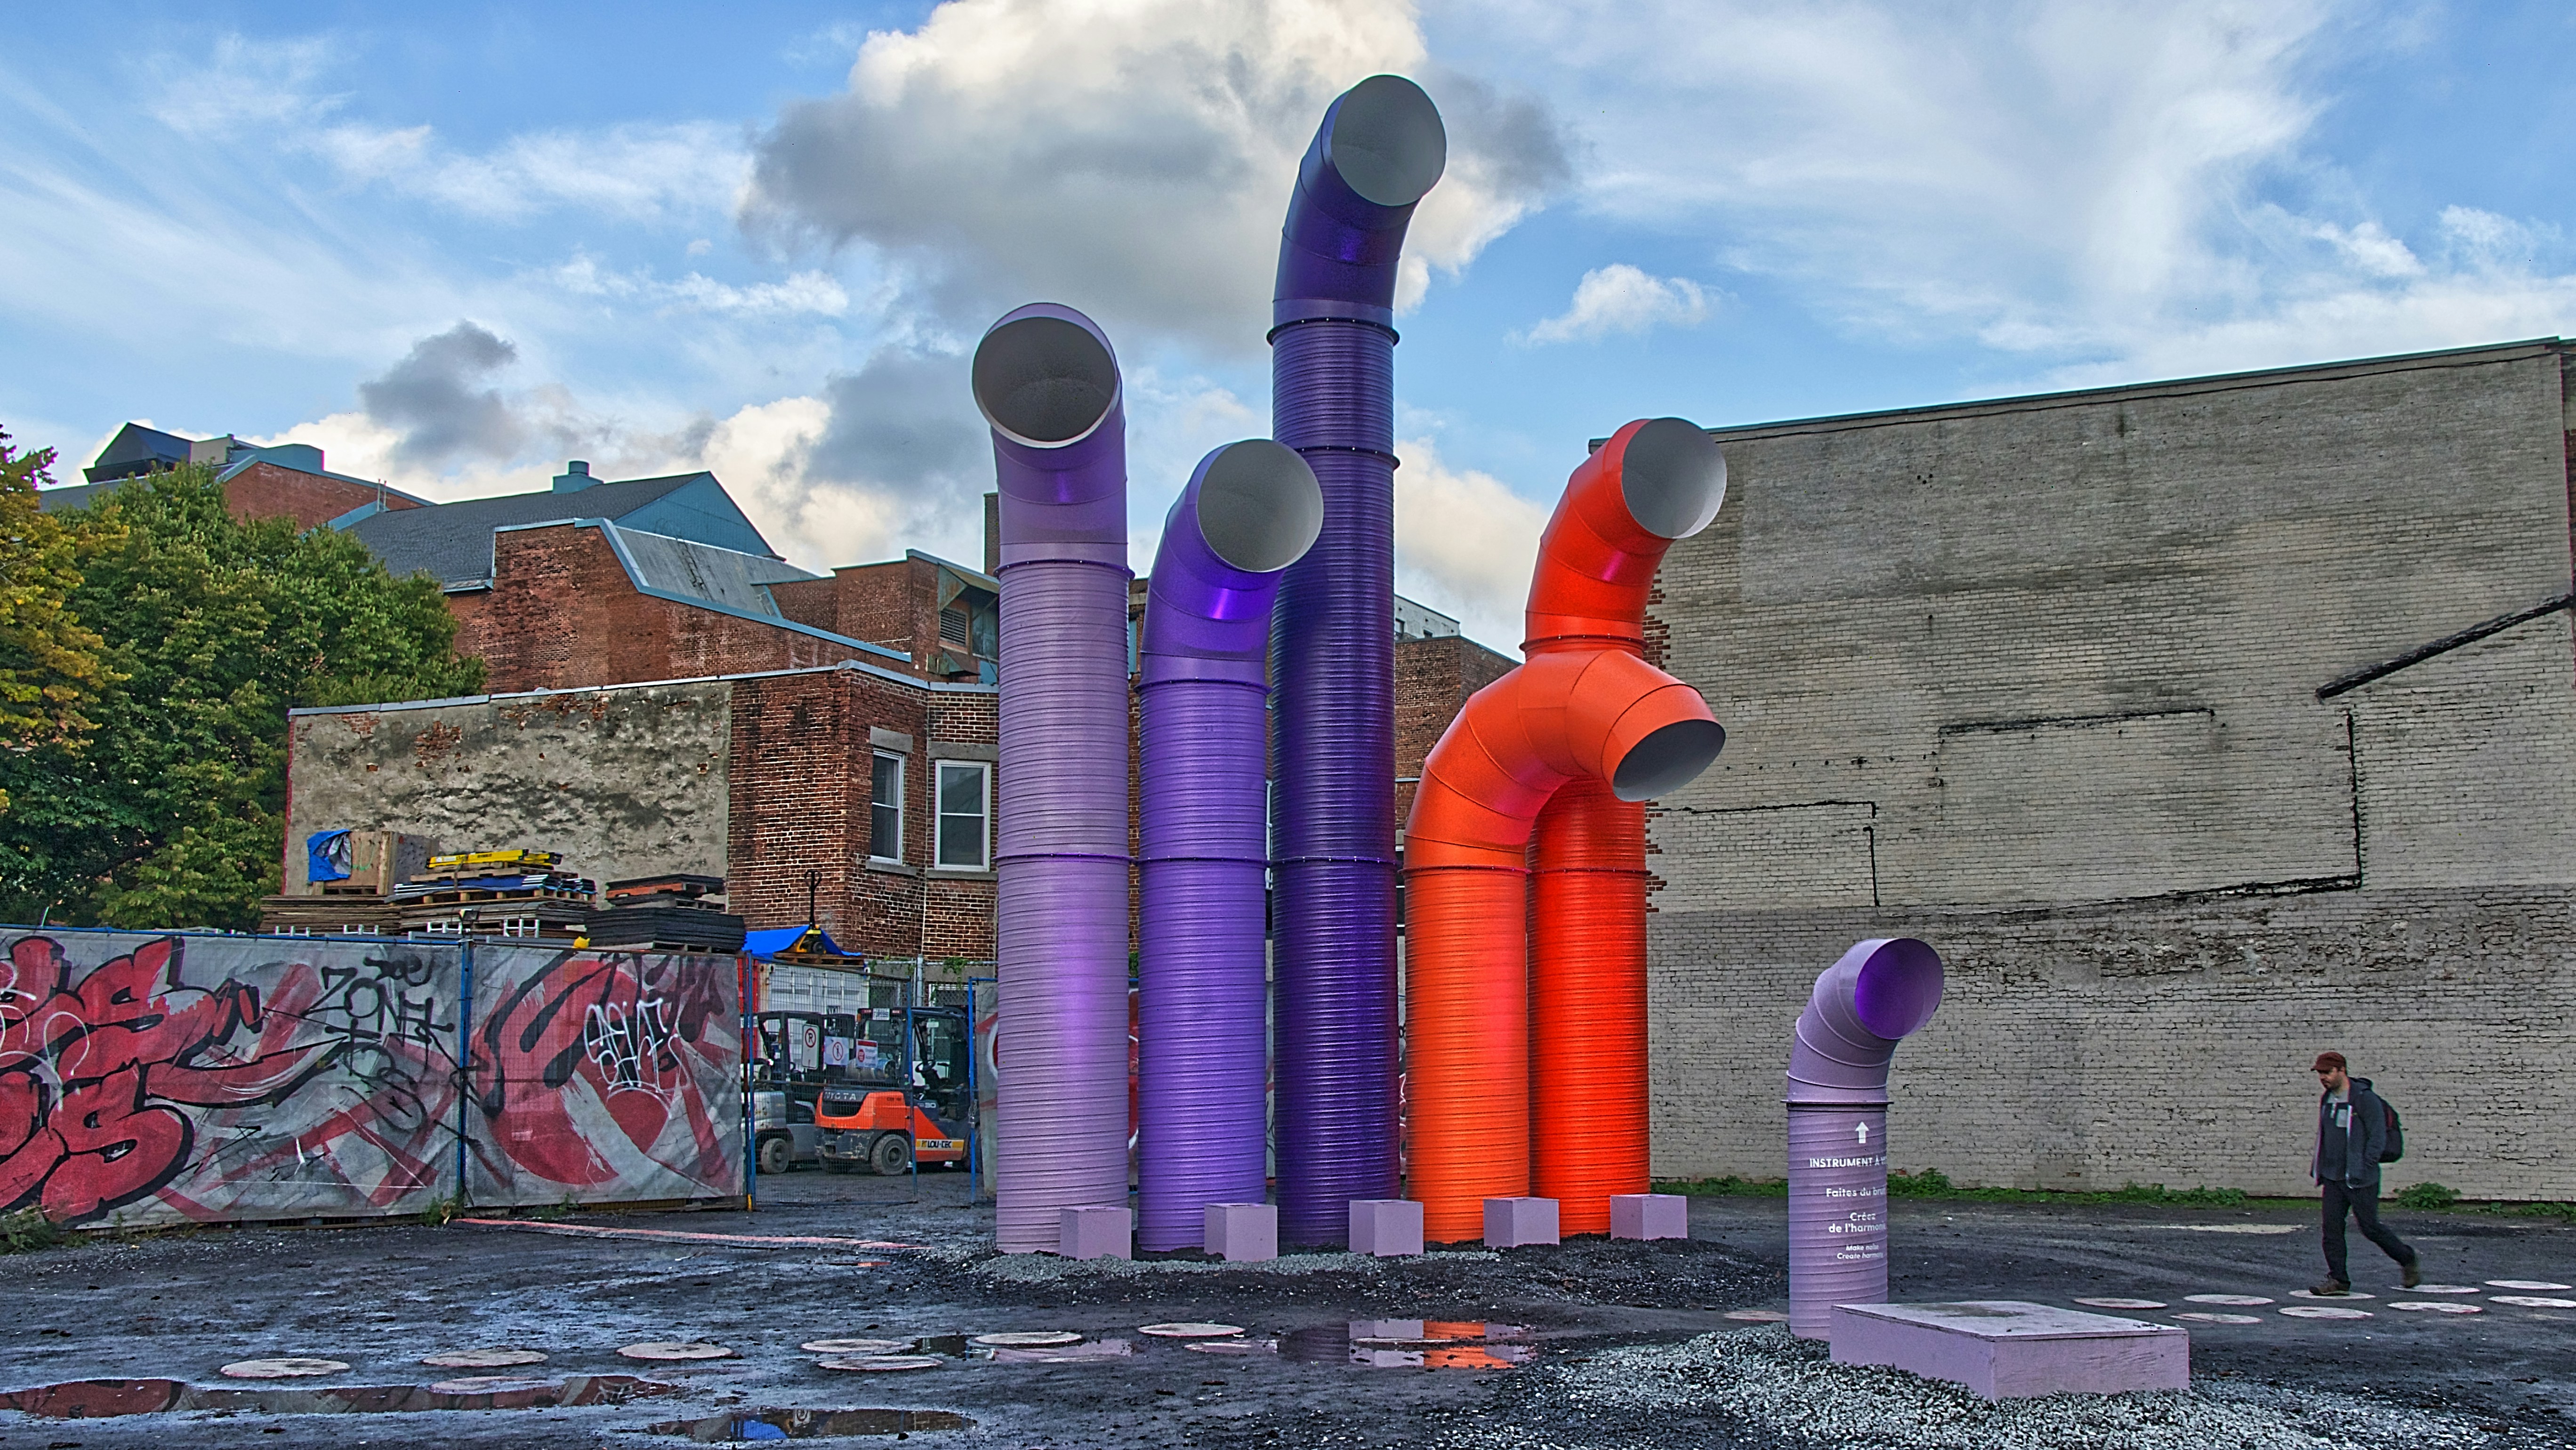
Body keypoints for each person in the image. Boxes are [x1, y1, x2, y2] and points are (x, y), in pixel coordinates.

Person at [2309, 1050, 2420, 1294]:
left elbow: (2377, 1138)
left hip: (2361, 1178)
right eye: (2320, 1074)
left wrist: (2365, 1166)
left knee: (2370, 1228)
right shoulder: (2327, 1100)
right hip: (2333, 1177)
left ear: (2341, 1070)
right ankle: (2339, 1280)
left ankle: (2406, 1258)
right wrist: (2321, 1168)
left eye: (2327, 1073)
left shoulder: (2364, 1099)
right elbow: (2326, 1137)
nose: (2323, 1078)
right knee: (2331, 1230)